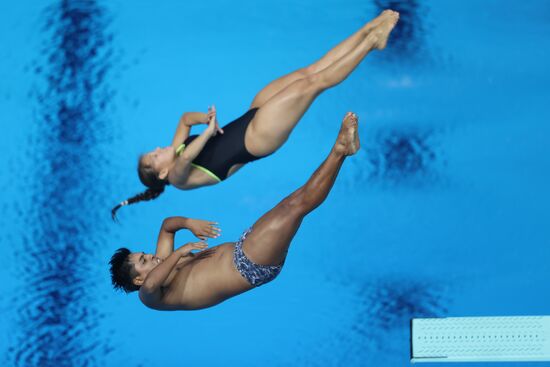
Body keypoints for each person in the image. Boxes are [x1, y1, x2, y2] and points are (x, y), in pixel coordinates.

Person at [111, 10, 399, 219]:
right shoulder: (177, 177)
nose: (160, 149)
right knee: (314, 84)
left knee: (308, 71)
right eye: (155, 155)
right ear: (161, 172)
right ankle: (371, 42)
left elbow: (185, 118)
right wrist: (210, 133)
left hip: (252, 114)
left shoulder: (176, 150)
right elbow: (186, 158)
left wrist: (204, 119)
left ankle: (369, 29)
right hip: (258, 138)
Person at [109, 112, 360, 310]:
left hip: (244, 246)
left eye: (144, 254)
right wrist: (181, 251)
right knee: (297, 205)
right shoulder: (150, 295)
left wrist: (188, 223)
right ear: (138, 280)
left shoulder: (162, 262)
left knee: (293, 203)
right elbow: (154, 282)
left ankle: (341, 151)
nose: (150, 256)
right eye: (143, 261)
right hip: (249, 265)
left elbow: (167, 225)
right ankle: (340, 150)